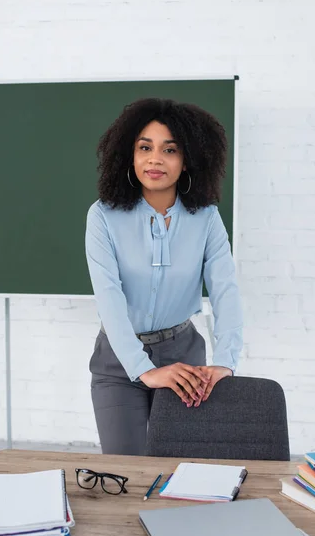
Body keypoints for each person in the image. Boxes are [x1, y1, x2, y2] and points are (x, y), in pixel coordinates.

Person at [85, 97, 243, 455]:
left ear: (187, 161)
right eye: (145, 147)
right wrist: (143, 368)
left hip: (184, 356)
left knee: (180, 469)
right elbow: (108, 297)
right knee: (129, 470)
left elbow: (225, 290)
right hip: (118, 358)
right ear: (130, 155)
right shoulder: (103, 216)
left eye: (169, 150)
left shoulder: (206, 218)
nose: (155, 159)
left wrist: (225, 362)